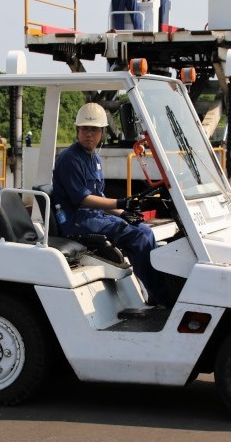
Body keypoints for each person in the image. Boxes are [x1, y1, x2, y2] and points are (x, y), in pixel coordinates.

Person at [52, 102, 171, 307]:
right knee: (140, 236)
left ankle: (152, 290)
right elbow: (83, 199)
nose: (89, 134)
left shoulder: (94, 158)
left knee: (145, 230)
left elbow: (99, 195)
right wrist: (120, 202)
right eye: (85, 129)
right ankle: (162, 298)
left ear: (103, 133)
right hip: (77, 221)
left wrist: (122, 212)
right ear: (77, 130)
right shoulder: (70, 159)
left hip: (94, 217)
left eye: (94, 130)